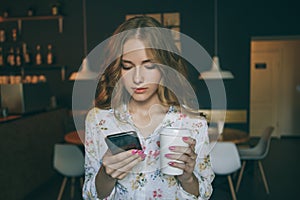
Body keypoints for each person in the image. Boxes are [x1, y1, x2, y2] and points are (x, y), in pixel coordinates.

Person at [83, 16, 214, 199]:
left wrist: (188, 178)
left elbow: (203, 194)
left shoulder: (194, 124)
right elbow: (91, 195)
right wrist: (106, 175)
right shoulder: (99, 119)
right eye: (127, 67)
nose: (138, 78)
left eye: (150, 66)